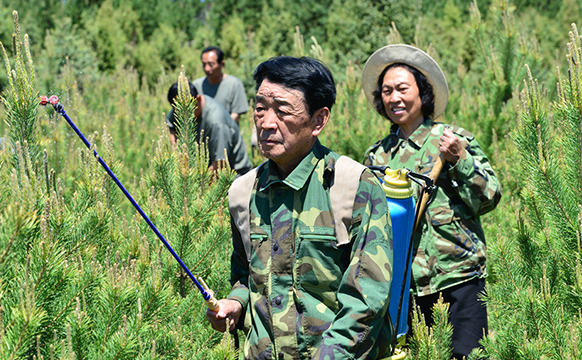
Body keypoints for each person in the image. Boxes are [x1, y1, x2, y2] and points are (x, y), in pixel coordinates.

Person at [206, 56, 394, 360]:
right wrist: (235, 303)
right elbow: (244, 275)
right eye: (260, 108)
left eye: (282, 111)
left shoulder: (352, 186)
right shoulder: (244, 192)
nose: (266, 122)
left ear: (318, 120)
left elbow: (367, 299)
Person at [362, 44, 502, 359]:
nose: (393, 97)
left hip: (458, 278)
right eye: (386, 91)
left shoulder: (452, 139)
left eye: (401, 88)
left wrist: (460, 160)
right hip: (403, 286)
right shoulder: (378, 155)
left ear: (422, 92)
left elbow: (490, 196)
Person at [166, 81, 252, 176]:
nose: (183, 116)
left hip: (233, 176)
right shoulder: (183, 107)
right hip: (203, 170)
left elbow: (219, 167)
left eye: (187, 110)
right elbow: (171, 126)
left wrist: (192, 183)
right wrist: (175, 150)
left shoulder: (216, 122)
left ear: (198, 98)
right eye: (178, 111)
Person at [193, 46, 249, 125]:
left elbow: (236, 115)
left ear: (222, 64)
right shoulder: (197, 85)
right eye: (204, 64)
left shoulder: (234, 84)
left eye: (211, 64)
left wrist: (220, 128)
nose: (207, 69)